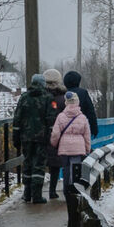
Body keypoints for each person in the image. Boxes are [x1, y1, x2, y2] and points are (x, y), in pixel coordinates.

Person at [50, 90, 92, 227]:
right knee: (76, 172)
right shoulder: (82, 117)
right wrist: (87, 149)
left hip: (65, 149)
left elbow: (55, 133)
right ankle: (74, 190)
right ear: (78, 102)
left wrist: (54, 143)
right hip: (78, 149)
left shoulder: (61, 116)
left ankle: (68, 189)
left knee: (66, 169)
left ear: (67, 103)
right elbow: (87, 136)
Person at [11, 74, 55, 203]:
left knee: (28, 163)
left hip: (26, 137)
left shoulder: (24, 98)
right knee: (39, 165)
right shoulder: (48, 98)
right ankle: (37, 195)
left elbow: (17, 119)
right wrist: (51, 137)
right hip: (42, 138)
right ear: (43, 84)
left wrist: (16, 138)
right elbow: (51, 119)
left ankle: (27, 193)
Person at [43, 68, 66, 199]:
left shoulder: (41, 97)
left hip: (41, 134)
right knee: (56, 164)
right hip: (59, 135)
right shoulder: (63, 99)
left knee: (38, 163)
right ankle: (52, 190)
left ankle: (32, 192)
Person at [62, 70, 99, 138]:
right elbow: (90, 112)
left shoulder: (62, 93)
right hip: (80, 129)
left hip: (64, 130)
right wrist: (94, 129)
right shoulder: (83, 93)